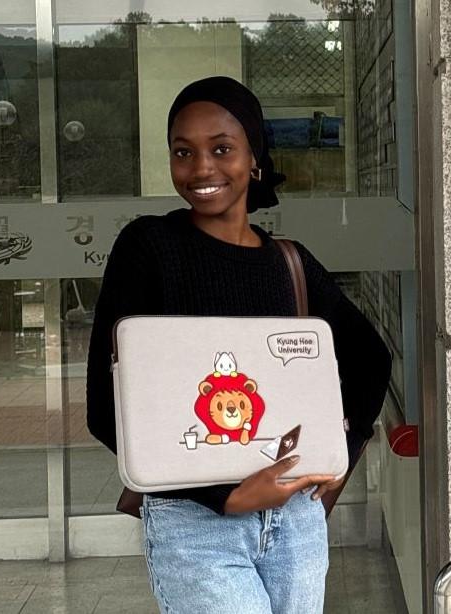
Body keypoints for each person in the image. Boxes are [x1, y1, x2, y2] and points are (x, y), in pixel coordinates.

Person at [86, 76, 391, 614]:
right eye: (183, 152)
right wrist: (222, 496)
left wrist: (337, 455)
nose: (201, 168)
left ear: (254, 159)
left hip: (294, 520)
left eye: (222, 149)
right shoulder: (149, 247)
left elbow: (370, 358)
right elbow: (105, 408)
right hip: (195, 522)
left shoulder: (289, 263)